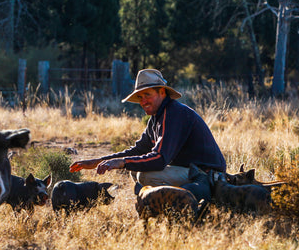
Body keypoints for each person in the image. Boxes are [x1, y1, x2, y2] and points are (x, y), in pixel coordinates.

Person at [69, 69, 226, 187]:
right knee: (135, 169)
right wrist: (100, 161)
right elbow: (138, 151)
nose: (143, 101)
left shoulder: (174, 114)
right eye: (140, 97)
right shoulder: (158, 116)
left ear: (162, 92)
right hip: (190, 170)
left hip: (207, 175)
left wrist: (122, 162)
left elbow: (159, 159)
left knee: (145, 176)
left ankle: (178, 211)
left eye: (148, 95)